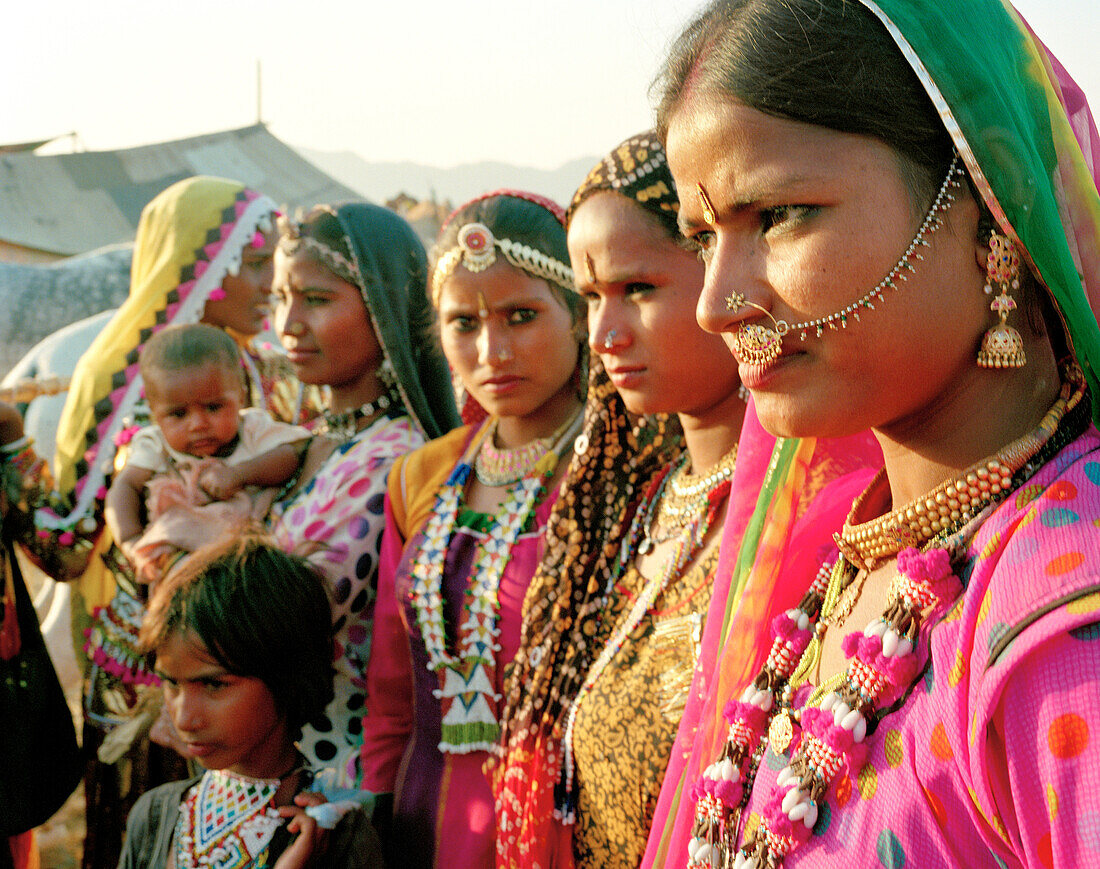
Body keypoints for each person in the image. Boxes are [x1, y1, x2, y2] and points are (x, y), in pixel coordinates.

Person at [655, 1, 1100, 867]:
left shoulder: (1065, 622)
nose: (715, 303)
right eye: (702, 235)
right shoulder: (864, 552)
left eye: (778, 215)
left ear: (988, 199)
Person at [34, 176, 305, 869]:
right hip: (150, 682)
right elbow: (71, 544)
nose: (266, 282)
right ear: (198, 266)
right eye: (248, 263)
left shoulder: (258, 361)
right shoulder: (123, 376)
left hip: (242, 668)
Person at [360, 190, 586, 868]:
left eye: (522, 315)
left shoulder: (614, 472)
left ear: (579, 314)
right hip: (422, 817)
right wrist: (375, 808)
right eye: (464, 322)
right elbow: (390, 687)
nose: (492, 350)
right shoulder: (420, 477)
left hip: (557, 826)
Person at [268, 203, 459, 787]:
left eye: (316, 300)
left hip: (334, 773)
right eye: (279, 298)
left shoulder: (394, 457)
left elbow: (277, 622)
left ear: (383, 308)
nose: (288, 324)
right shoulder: (317, 440)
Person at [118, 532, 384, 868]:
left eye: (214, 685)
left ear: (287, 676)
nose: (184, 718)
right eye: (171, 683)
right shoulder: (153, 817)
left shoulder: (340, 837)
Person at [106, 324, 309, 585]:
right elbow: (123, 487)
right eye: (178, 414)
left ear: (240, 396)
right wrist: (131, 541)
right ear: (155, 412)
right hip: (183, 571)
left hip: (252, 562)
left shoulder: (253, 429)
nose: (198, 424)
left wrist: (240, 474)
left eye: (214, 407)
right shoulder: (155, 445)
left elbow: (292, 456)